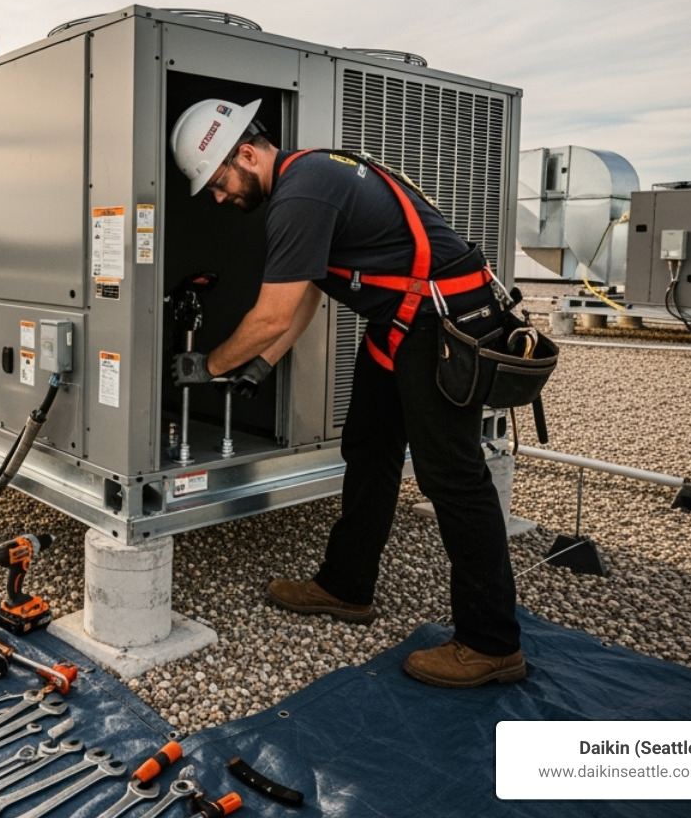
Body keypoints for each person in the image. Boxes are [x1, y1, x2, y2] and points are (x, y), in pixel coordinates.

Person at [169, 97, 525, 688]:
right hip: (405, 322)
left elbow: (270, 313)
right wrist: (263, 364)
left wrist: (207, 366)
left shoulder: (302, 194)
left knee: (453, 478)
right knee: (369, 447)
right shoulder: (308, 178)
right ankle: (346, 586)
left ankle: (492, 644)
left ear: (248, 154)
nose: (217, 196)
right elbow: (308, 291)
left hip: (442, 323)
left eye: (217, 180)